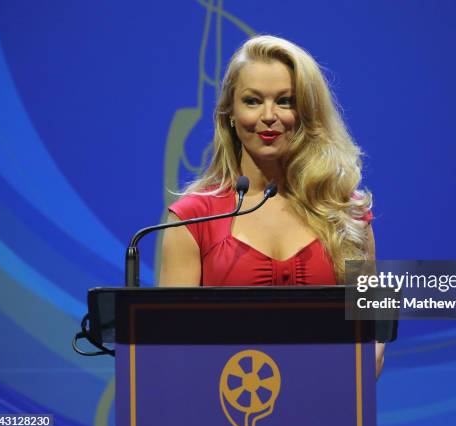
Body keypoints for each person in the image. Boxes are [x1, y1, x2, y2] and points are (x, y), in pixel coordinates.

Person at [159, 35, 387, 377]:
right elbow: (172, 345)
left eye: (285, 101)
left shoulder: (348, 214)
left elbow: (373, 333)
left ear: (308, 113)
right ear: (230, 115)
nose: (269, 116)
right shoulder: (191, 219)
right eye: (252, 101)